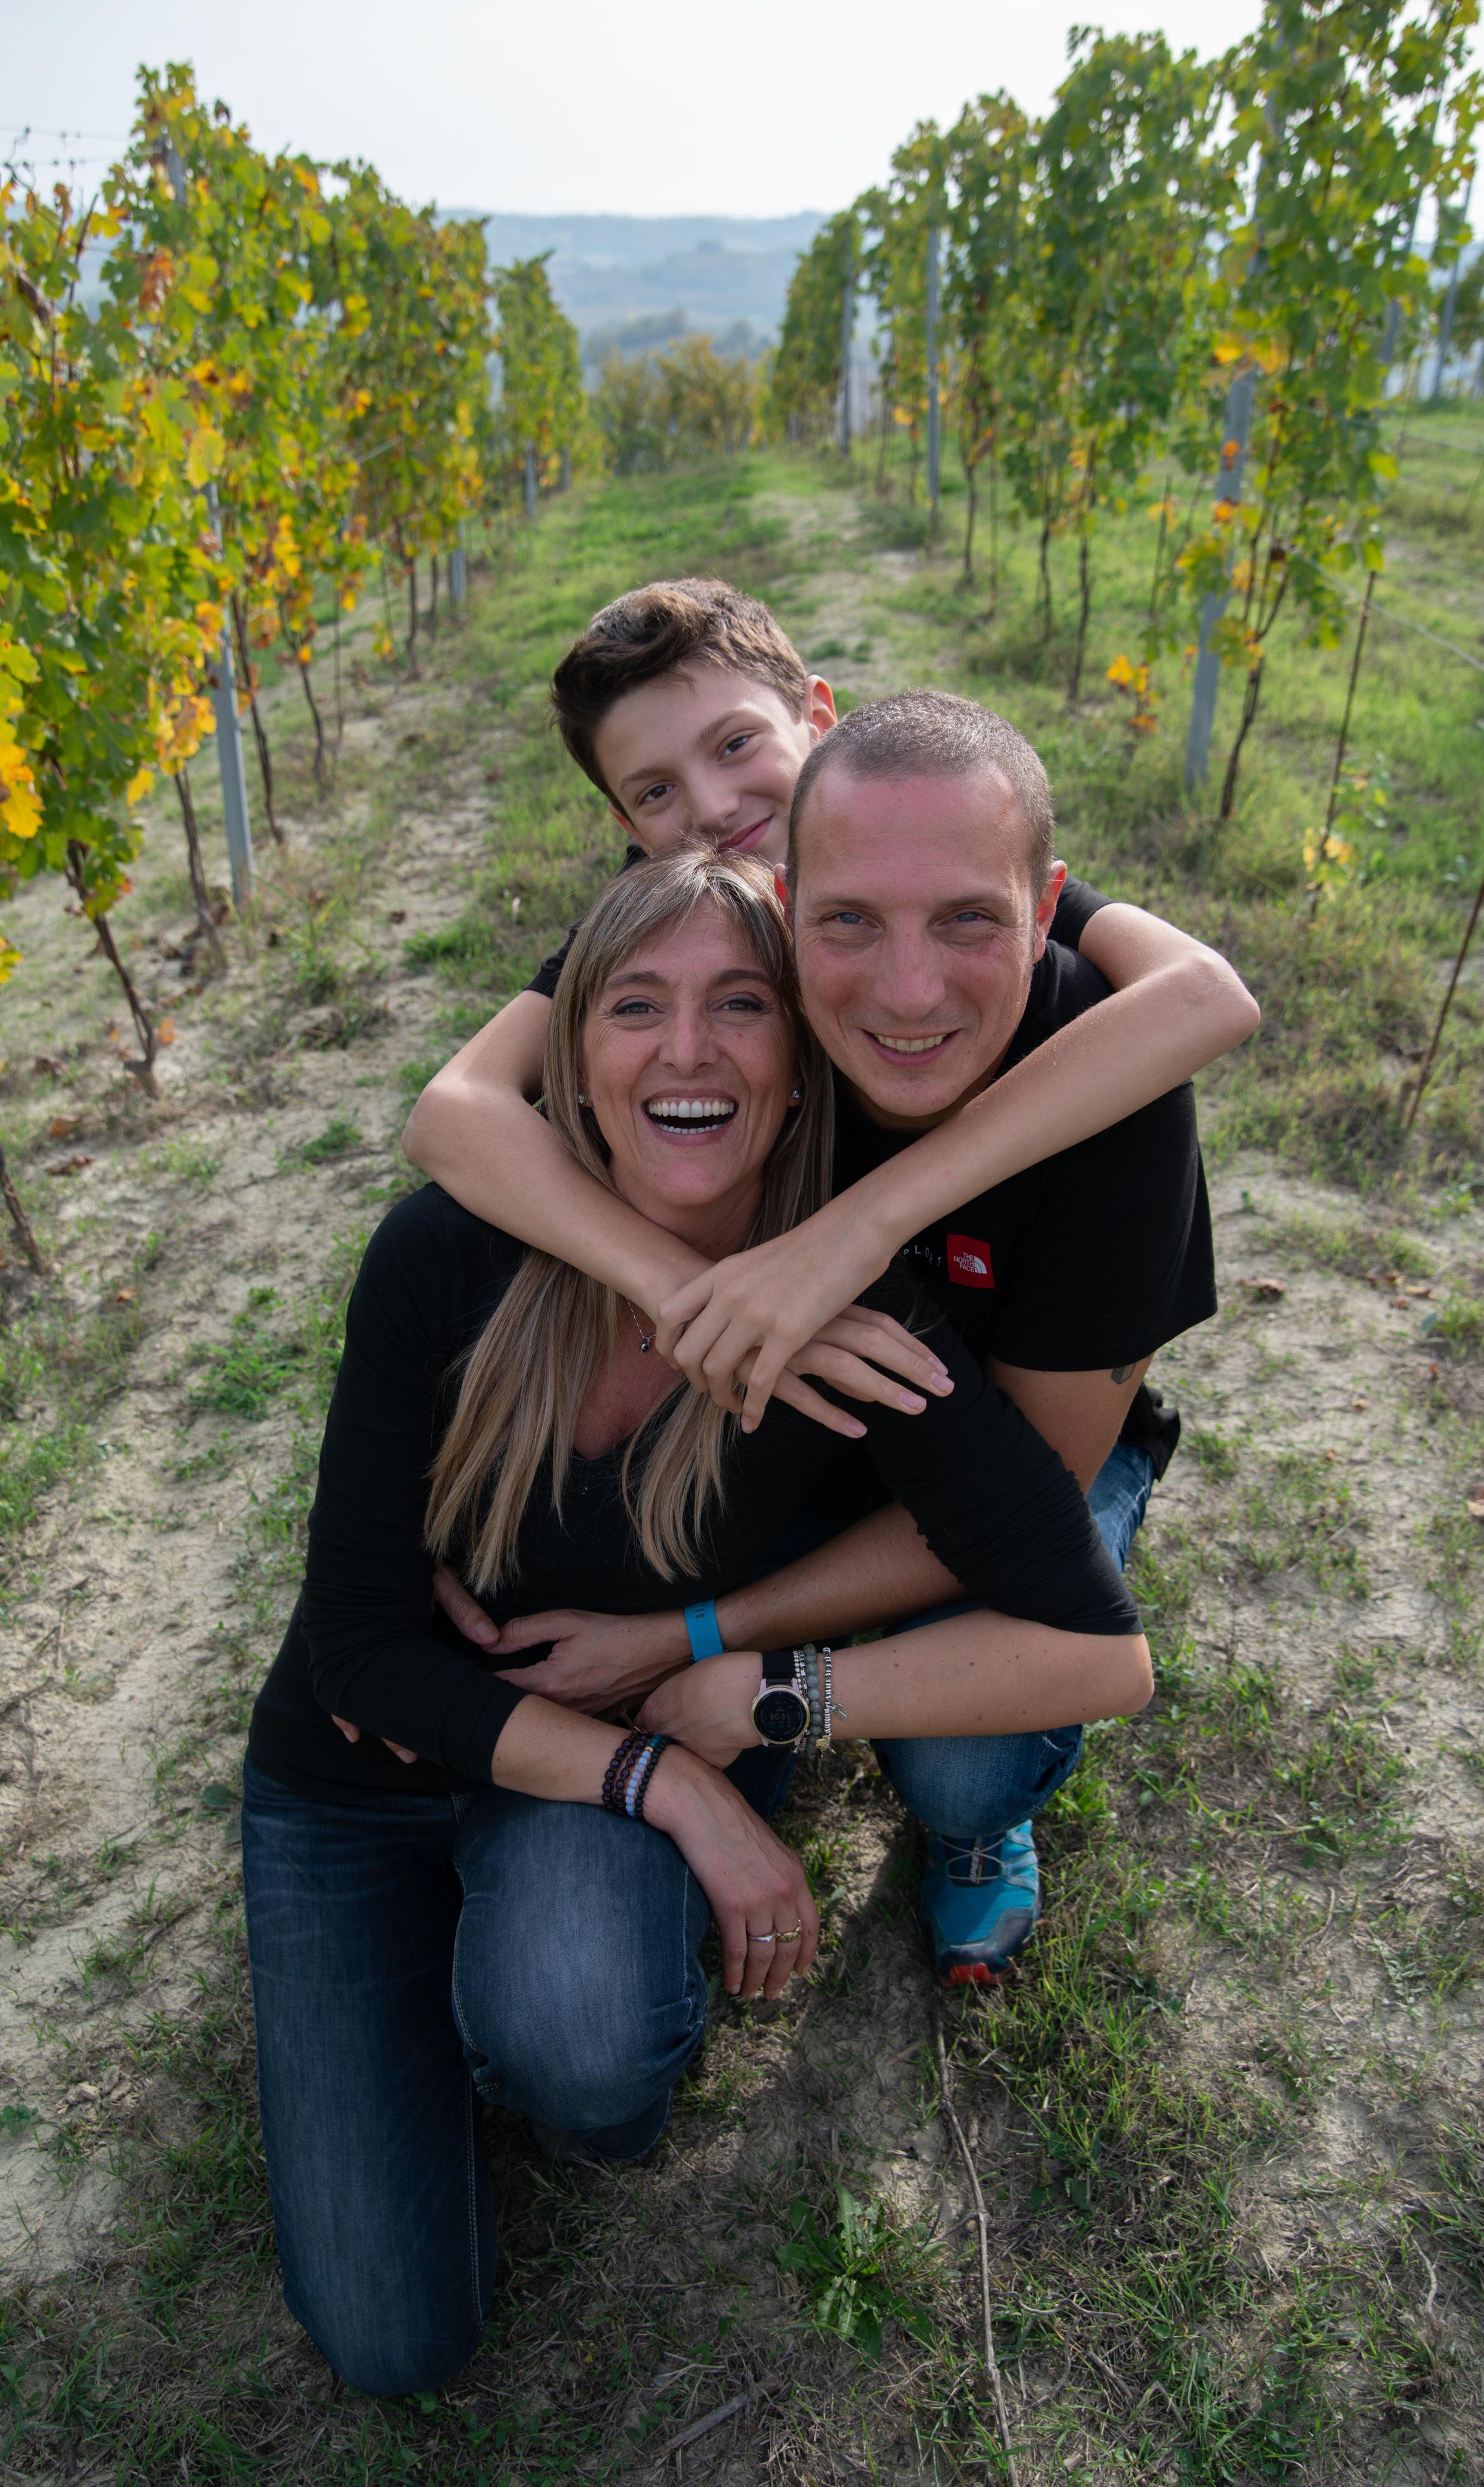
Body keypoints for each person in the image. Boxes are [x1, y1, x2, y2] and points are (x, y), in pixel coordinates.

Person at [242, 851, 1151, 2397]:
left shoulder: (861, 1331)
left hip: (583, 1770)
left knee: (587, 2061)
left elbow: (1099, 1657)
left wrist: (779, 1694)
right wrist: (668, 1786)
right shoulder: (446, 1256)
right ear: (572, 1062)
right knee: (392, 2346)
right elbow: (359, 1651)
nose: (685, 1050)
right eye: (634, 1008)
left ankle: (529, 2010)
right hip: (358, 1781)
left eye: (739, 1005)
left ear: (798, 1071)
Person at [403, 586, 1259, 1982]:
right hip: (805, 1435)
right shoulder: (718, 957)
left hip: (1019, 1450)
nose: (711, 811)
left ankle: (959, 1809)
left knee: (959, 1767)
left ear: (817, 717)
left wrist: (852, 1235)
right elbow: (453, 1115)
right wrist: (686, 1287)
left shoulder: (1043, 980)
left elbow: (1208, 997)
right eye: (655, 792)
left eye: (736, 748)